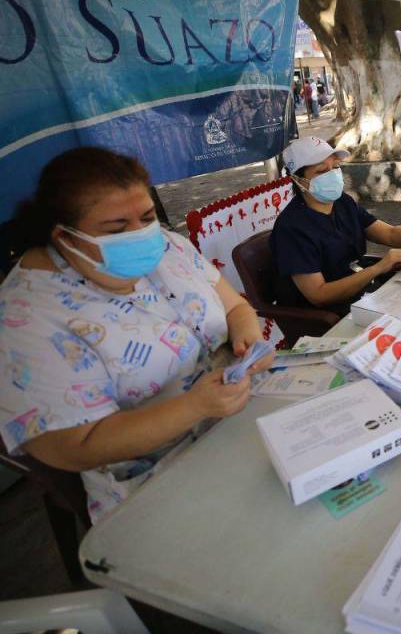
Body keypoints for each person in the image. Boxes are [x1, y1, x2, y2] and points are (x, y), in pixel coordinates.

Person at [0, 148, 273, 524]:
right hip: (155, 486)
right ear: (65, 236)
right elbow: (72, 446)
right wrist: (195, 406)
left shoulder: (168, 247)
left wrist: (246, 342)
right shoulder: (26, 317)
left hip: (239, 422)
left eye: (146, 217)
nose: (141, 235)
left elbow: (236, 309)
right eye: (116, 229)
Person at [270, 137, 401, 314]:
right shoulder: (292, 228)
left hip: (363, 292)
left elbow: (389, 233)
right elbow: (319, 295)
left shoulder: (342, 203)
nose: (332, 175)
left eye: (336, 167)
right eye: (321, 171)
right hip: (329, 314)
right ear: (298, 180)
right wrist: (380, 267)